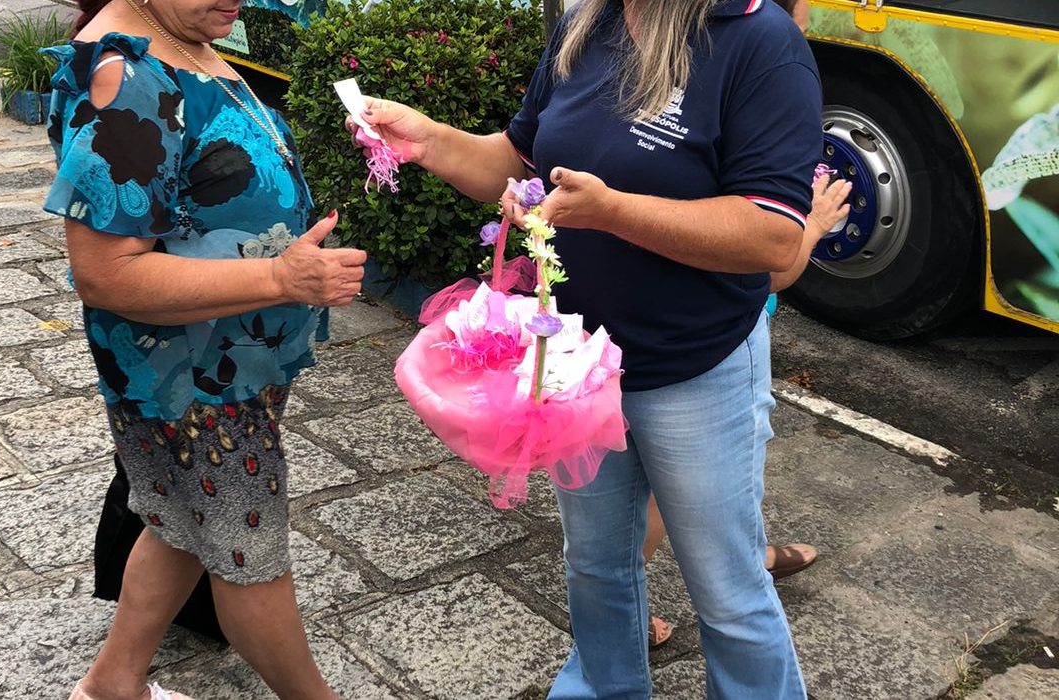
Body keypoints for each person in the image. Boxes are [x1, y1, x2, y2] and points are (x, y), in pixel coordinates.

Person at [351, 0, 821, 696]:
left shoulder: (758, 39)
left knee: (727, 590)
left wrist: (612, 212)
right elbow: (517, 159)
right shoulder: (586, 23)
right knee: (596, 567)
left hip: (694, 365)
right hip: (579, 368)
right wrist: (431, 140)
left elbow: (773, 236)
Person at [47, 2, 365, 699]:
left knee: (183, 522)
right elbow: (107, 274)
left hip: (231, 360)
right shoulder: (128, 77)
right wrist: (281, 278)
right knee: (250, 553)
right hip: (191, 379)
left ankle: (112, 685)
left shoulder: (182, 34)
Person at [638, 0, 853, 648]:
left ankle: (744, 551)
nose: (803, 31)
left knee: (731, 466)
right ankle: (631, 593)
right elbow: (771, 268)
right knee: (681, 485)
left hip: (685, 333)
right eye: (799, 18)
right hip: (719, 341)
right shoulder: (761, 65)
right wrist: (813, 225)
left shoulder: (710, 80)